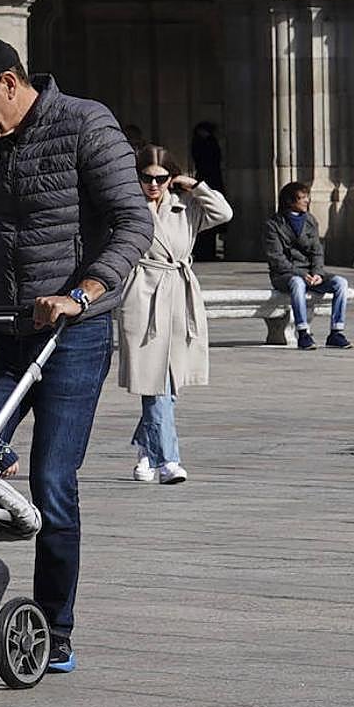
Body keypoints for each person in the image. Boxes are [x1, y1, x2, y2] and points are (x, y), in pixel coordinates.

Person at [0, 35, 153, 674]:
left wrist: (81, 293)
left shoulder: (87, 124)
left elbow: (133, 223)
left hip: (72, 334)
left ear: (10, 82)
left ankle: (55, 629)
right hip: (2, 330)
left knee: (53, 481)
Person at [118, 144, 233, 485]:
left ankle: (146, 450)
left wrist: (194, 185)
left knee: (168, 385)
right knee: (155, 384)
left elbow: (224, 213)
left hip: (180, 297)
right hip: (143, 297)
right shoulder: (127, 207)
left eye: (161, 177)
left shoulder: (187, 206)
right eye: (146, 177)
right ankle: (169, 460)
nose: (153, 184)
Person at [263, 182, 354, 350]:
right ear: (290, 201)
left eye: (307, 197)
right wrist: (300, 274)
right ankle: (303, 332)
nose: (307, 201)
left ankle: (336, 332)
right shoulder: (273, 224)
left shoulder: (310, 220)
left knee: (340, 283)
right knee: (297, 283)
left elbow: (317, 251)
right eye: (302, 198)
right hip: (285, 275)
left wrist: (318, 273)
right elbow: (276, 258)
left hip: (311, 273)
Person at [190, 122, 226, 261]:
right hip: (210, 181)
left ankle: (205, 251)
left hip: (207, 180)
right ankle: (205, 252)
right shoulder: (207, 142)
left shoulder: (201, 142)